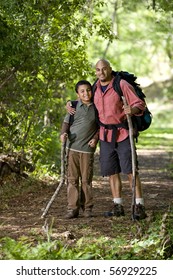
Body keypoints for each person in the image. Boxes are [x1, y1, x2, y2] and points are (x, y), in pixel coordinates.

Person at [67, 59, 147, 220]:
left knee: (130, 170)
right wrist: (70, 104)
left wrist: (132, 109)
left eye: (104, 69)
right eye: (98, 70)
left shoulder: (121, 84)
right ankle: (117, 205)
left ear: (110, 69)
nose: (101, 72)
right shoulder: (95, 87)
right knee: (112, 171)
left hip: (123, 132)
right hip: (105, 135)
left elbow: (140, 104)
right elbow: (85, 100)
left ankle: (139, 206)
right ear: (95, 72)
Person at [60, 80, 99, 219]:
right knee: (72, 179)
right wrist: (63, 134)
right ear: (78, 94)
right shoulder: (74, 106)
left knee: (86, 180)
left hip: (87, 150)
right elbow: (66, 123)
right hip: (72, 148)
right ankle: (72, 208)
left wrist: (95, 138)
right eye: (82, 91)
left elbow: (100, 127)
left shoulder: (97, 107)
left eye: (88, 90)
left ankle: (87, 208)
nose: (86, 93)